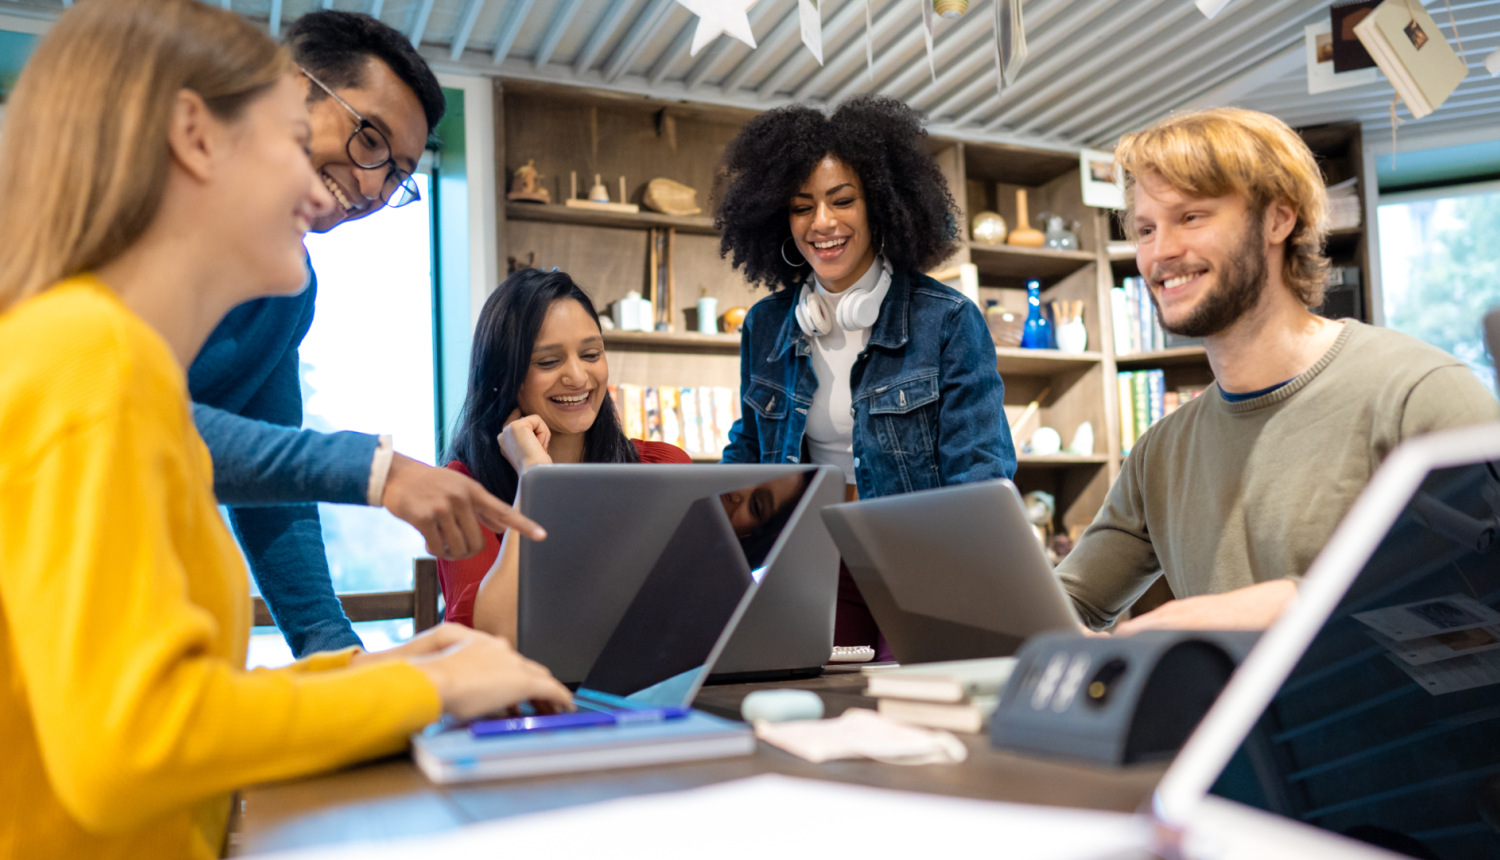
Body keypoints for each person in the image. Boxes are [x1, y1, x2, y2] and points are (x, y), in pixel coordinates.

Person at [0, 3, 570, 857]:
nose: (339, 193)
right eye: (286, 141)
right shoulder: (90, 359)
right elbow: (133, 743)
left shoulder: (126, 365)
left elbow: (175, 694)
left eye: (399, 174)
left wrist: (369, 668)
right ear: (196, 137)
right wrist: (427, 692)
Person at [1058, 107, 1500, 635]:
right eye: (1147, 229)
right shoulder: (1160, 454)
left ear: (1277, 218)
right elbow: (1057, 607)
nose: (1161, 253)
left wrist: (1295, 604)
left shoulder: (1417, 393)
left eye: (1191, 217)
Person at [188, 10, 537, 659]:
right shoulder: (133, 211)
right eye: (369, 138)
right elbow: (117, 416)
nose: (374, 186)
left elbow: (274, 492)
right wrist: (375, 471)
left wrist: (336, 652)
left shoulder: (289, 288)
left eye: (400, 173)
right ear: (292, 92)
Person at [714, 96, 1016, 651]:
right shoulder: (766, 326)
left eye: (842, 200)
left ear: (879, 203)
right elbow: (752, 449)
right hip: (815, 556)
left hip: (919, 562)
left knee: (911, 703)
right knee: (822, 699)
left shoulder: (946, 320)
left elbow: (980, 472)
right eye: (802, 206)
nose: (822, 223)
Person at [440, 268, 692, 639]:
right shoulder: (462, 491)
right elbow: (492, 639)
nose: (577, 376)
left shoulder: (662, 467)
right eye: (548, 361)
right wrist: (534, 475)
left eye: (591, 354)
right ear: (503, 374)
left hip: (636, 689)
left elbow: (694, 613)